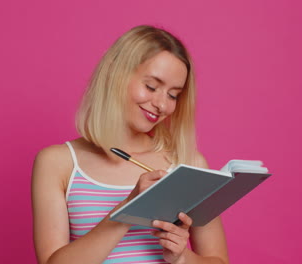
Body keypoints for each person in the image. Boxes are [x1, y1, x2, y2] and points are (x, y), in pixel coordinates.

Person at [31, 25, 229, 264]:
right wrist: (129, 210)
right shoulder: (58, 163)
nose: (162, 105)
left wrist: (181, 257)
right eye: (152, 87)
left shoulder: (188, 163)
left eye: (173, 95)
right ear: (116, 74)